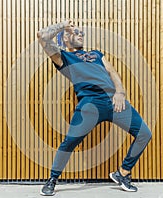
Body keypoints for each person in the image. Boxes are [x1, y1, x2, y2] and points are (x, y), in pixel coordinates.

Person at [37, 21, 152, 196]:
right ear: (66, 38)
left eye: (81, 32)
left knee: (144, 133)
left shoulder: (96, 54)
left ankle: (123, 173)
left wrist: (120, 91)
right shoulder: (64, 58)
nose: (81, 34)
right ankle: (53, 179)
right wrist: (64, 26)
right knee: (70, 142)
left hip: (114, 102)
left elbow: (112, 72)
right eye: (76, 33)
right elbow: (42, 36)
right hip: (89, 104)